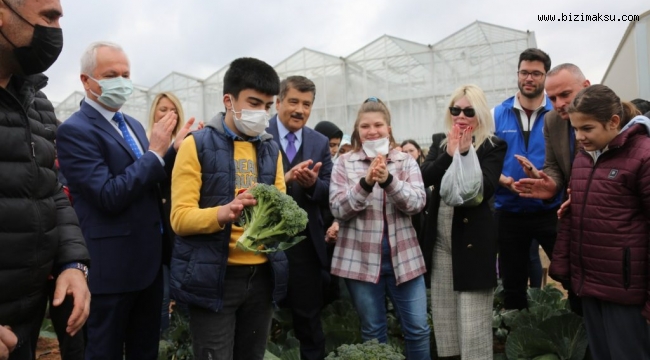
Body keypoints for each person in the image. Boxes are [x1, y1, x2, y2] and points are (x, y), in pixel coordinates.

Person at [56, 41, 194, 360]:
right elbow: (108, 195)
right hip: (110, 270)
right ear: (86, 81)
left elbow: (146, 175)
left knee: (144, 350)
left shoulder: (130, 124)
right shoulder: (75, 131)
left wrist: (173, 149)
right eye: (110, 74)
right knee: (103, 351)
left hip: (147, 265)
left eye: (125, 73)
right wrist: (156, 151)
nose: (121, 80)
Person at [169, 57, 288, 360]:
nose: (261, 112)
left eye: (267, 106)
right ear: (228, 100)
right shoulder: (195, 146)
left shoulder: (271, 148)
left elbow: (282, 205)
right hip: (215, 279)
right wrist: (222, 213)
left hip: (261, 277)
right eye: (253, 102)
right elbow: (180, 217)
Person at [0, 0, 90, 359]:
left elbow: (50, 191)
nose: (56, 28)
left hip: (26, 318)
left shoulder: (36, 103)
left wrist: (72, 263)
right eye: (48, 17)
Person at [549, 84, 649, 360]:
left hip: (626, 292)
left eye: (587, 129)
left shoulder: (643, 155)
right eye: (575, 129)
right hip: (590, 285)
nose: (579, 137)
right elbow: (574, 214)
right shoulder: (584, 157)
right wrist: (565, 267)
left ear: (613, 122)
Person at [330, 97, 430, 360]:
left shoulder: (405, 162)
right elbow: (338, 209)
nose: (372, 131)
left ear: (389, 128)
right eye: (365, 126)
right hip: (359, 261)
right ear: (357, 130)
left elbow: (418, 203)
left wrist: (388, 182)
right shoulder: (344, 163)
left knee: (418, 329)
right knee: (373, 332)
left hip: (404, 259)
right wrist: (365, 183)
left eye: (378, 125)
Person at [421, 85, 506, 358]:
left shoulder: (493, 145)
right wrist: (449, 153)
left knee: (473, 326)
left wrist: (467, 154)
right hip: (441, 243)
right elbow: (425, 178)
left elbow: (484, 190)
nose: (461, 116)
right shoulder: (439, 142)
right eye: (455, 110)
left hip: (473, 244)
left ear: (480, 114)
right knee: (445, 323)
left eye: (469, 111)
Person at [267, 76, 332, 360]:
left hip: (305, 247)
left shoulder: (319, 143)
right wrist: (284, 179)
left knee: (308, 321)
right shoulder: (259, 135)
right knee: (261, 321)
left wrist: (312, 185)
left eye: (306, 104)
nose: (300, 110)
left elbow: (330, 190)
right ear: (279, 102)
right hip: (264, 245)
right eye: (293, 102)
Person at [492, 48, 560, 310]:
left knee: (567, 273)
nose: (528, 78)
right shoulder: (498, 113)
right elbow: (484, 161)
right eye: (524, 72)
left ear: (545, 76)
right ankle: (517, 334)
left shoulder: (558, 112)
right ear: (518, 74)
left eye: (535, 73)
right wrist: (503, 180)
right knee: (513, 282)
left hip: (550, 210)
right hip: (509, 210)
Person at [515, 64, 591, 201]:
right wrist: (551, 184)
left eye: (565, 94)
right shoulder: (552, 120)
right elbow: (553, 166)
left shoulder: (611, 118)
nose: (559, 104)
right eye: (552, 98)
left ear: (586, 86)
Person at [314, 120, 344, 306]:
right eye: (330, 145)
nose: (334, 150)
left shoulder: (335, 169)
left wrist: (336, 222)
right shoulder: (309, 165)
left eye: (336, 146)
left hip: (331, 231)